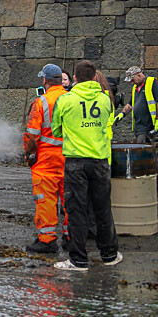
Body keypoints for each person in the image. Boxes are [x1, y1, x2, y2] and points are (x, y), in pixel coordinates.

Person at [51, 60, 122, 271]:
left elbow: (56, 130)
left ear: (74, 78)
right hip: (100, 160)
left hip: (76, 162)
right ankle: (109, 254)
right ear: (94, 78)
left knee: (76, 211)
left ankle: (78, 259)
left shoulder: (65, 100)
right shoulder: (104, 99)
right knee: (102, 210)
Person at [22, 64, 67, 254]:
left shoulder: (41, 102)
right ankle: (71, 237)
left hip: (46, 158)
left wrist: (29, 154)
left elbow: (32, 135)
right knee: (70, 199)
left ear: (45, 81)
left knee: (46, 199)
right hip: (70, 156)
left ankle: (47, 240)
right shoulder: (72, 99)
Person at [116, 66, 156, 144]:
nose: (132, 82)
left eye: (132, 80)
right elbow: (130, 104)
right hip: (139, 127)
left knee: (142, 151)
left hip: (148, 126)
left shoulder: (151, 83)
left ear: (139, 75)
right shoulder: (135, 88)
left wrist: (157, 119)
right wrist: (122, 114)